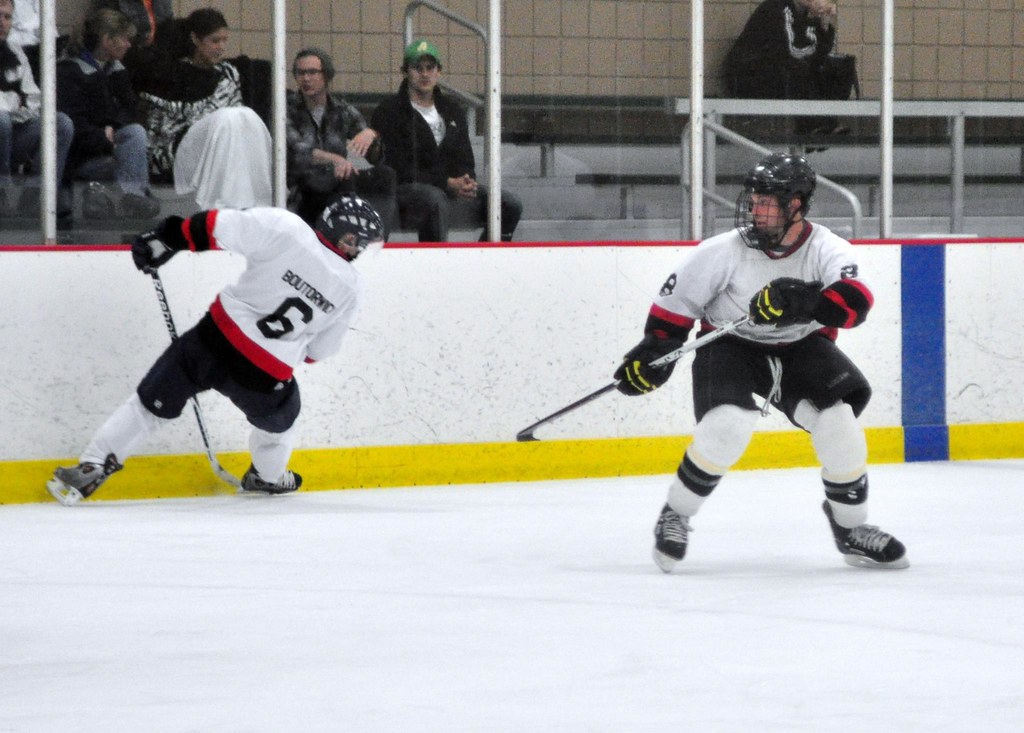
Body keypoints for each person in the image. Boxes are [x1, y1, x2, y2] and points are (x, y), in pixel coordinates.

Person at [613, 152, 908, 571]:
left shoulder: (828, 248)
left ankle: (851, 529)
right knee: (727, 425)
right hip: (729, 343)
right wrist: (653, 355)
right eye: (754, 199)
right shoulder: (722, 252)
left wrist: (805, 302)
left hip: (800, 347)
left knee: (839, 426)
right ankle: (675, 514)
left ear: (797, 206)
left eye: (768, 201)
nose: (756, 209)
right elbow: (671, 315)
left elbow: (855, 305)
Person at [46, 193, 385, 506]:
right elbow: (321, 351)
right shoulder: (352, 287)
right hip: (265, 373)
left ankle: (92, 466)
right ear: (348, 238)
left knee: (148, 405)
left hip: (213, 340)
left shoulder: (289, 229)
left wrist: (170, 238)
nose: (360, 252)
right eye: (361, 244)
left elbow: (218, 226)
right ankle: (268, 477)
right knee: (281, 423)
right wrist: (295, 352)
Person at [370, 39, 522, 242]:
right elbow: (397, 166)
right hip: (407, 190)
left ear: (439, 72)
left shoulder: (452, 109)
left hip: (447, 187)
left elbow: (465, 156)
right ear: (405, 72)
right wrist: (446, 182)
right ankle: (435, 267)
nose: (425, 74)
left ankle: (487, 261)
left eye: (430, 68)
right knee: (435, 200)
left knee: (509, 204)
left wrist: (466, 181)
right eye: (417, 68)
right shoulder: (389, 111)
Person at [137, 7, 271, 209]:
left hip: (225, 153)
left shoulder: (228, 74)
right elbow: (162, 130)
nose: (221, 47)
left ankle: (255, 204)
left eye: (225, 41)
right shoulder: (172, 73)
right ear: (195, 39)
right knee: (229, 118)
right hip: (178, 153)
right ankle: (222, 207)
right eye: (215, 41)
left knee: (246, 116)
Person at [56, 6, 160, 219]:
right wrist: (103, 138)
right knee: (124, 150)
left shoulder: (116, 69)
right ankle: (120, 198)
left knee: (136, 133)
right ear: (107, 40)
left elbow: (130, 109)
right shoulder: (70, 71)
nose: (129, 44)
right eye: (124, 39)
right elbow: (73, 126)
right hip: (82, 159)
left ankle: (134, 197)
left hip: (109, 147)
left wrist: (113, 129)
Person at [286, 47, 396, 234]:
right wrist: (336, 159)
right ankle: (351, 232)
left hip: (335, 182)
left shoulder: (341, 110)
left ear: (326, 75)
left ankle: (377, 235)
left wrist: (371, 135)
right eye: (300, 73)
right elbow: (298, 152)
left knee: (385, 175)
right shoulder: (287, 108)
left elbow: (375, 157)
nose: (306, 78)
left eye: (312, 72)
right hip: (303, 186)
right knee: (344, 178)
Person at [0, 0, 74, 219]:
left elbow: (34, 99)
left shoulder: (15, 52)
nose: (2, 23)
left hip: (12, 132)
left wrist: (22, 112)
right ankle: (1, 193)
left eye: (7, 17)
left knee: (60, 123)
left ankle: (37, 200)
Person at [723, 0, 842, 135]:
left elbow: (818, 55)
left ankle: (825, 123)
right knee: (797, 69)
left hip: (777, 71)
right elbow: (792, 51)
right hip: (747, 74)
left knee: (826, 70)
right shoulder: (777, 7)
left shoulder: (807, 15)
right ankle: (814, 126)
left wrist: (824, 24)